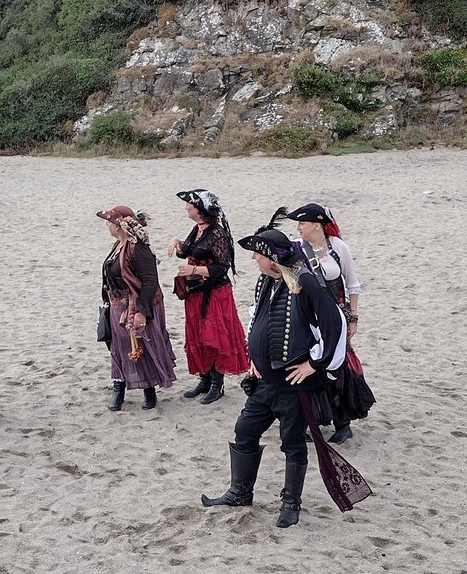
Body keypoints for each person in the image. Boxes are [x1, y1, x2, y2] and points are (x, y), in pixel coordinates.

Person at [201, 218, 346, 527]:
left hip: (293, 386)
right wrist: (255, 357)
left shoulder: (306, 281)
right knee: (245, 431)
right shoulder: (267, 280)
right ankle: (240, 492)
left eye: (257, 252)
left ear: (271, 255)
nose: (254, 258)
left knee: (292, 443)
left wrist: (315, 364)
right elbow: (259, 318)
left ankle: (291, 503)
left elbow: (336, 325)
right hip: (264, 382)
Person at [288, 202, 374, 443]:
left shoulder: (339, 248)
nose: (298, 228)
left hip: (337, 320)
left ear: (317, 225)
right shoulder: (296, 249)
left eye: (302, 223)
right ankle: (309, 419)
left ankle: (343, 423)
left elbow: (352, 285)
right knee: (307, 364)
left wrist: (353, 319)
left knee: (339, 367)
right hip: (307, 319)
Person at [166, 189, 249, 404]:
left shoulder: (217, 233)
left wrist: (193, 271)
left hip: (215, 292)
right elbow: (188, 252)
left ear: (200, 209)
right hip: (196, 292)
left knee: (215, 337)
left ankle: (216, 384)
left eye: (189, 205)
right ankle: (204, 379)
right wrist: (176, 241)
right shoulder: (198, 229)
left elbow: (222, 267)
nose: (186, 207)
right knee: (199, 336)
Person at [98, 204, 176, 411]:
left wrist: (141, 311)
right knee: (118, 346)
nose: (107, 226)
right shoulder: (118, 245)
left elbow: (150, 281)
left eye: (109, 223)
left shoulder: (138, 248)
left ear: (119, 225)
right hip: (117, 304)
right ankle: (119, 387)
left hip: (136, 304)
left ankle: (149, 389)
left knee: (140, 346)